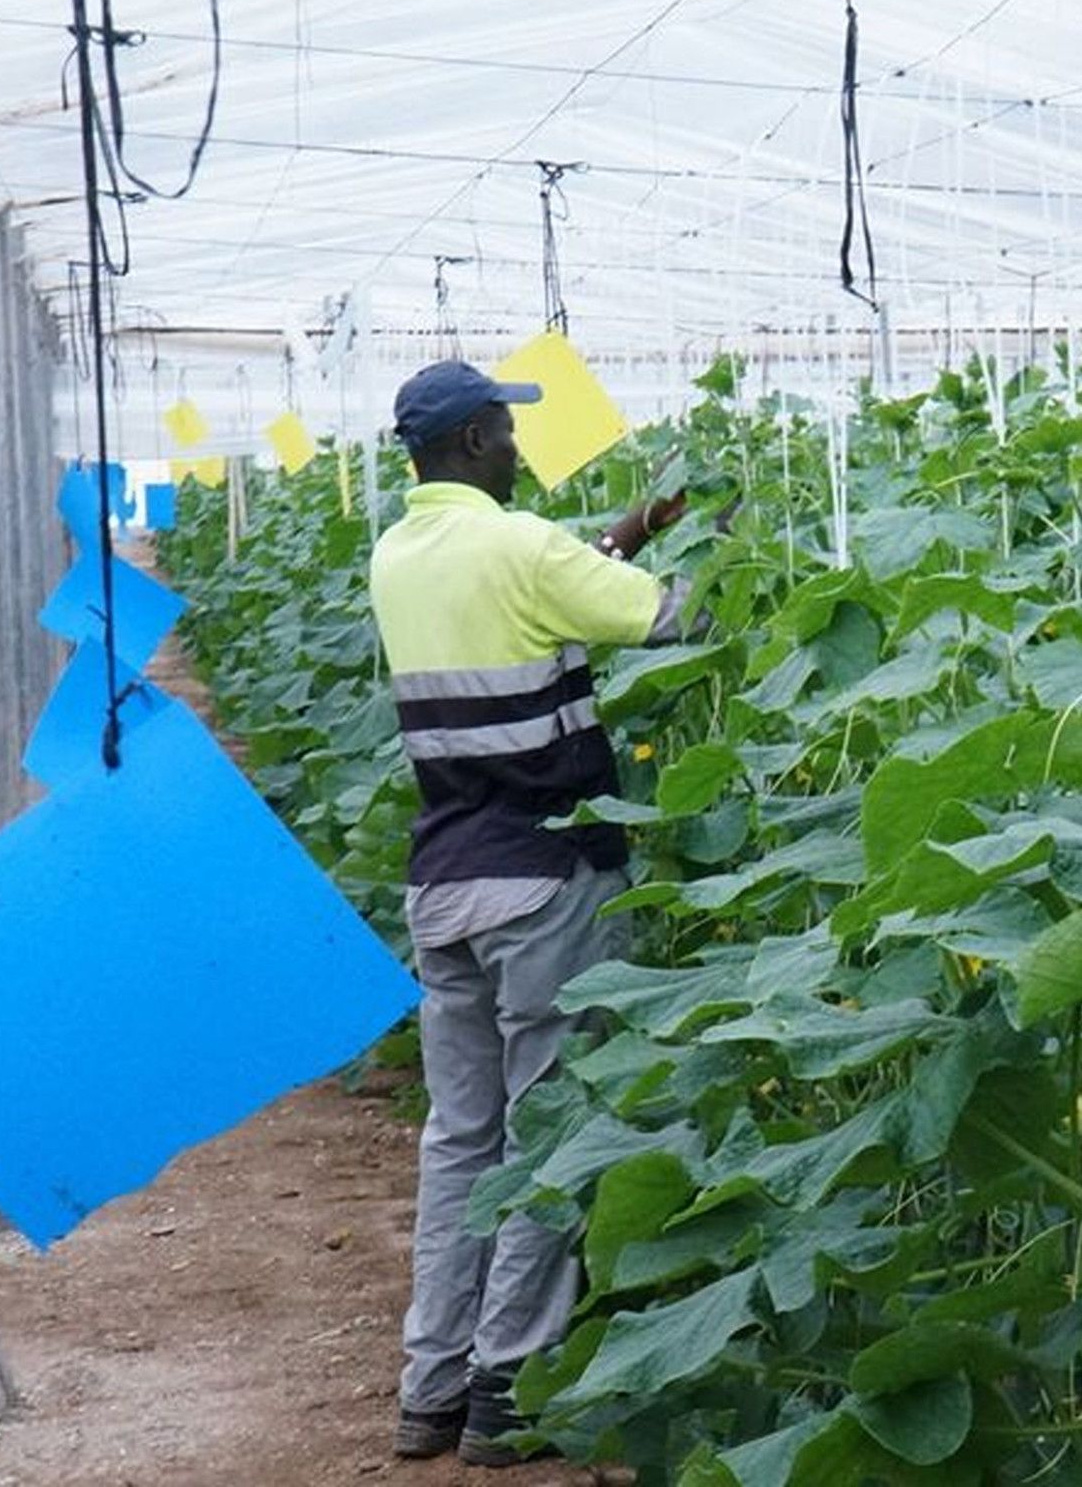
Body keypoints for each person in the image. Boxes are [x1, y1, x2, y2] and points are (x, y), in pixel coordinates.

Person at [369, 359, 688, 1467]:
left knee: (461, 1139)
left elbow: (535, 600)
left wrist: (619, 536)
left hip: (445, 879)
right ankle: (509, 1387)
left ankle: (432, 1388)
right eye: (506, 432)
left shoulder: (400, 555)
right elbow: (668, 620)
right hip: (542, 878)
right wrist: (711, 565)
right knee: (548, 1131)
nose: (519, 449)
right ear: (468, 443)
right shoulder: (520, 543)